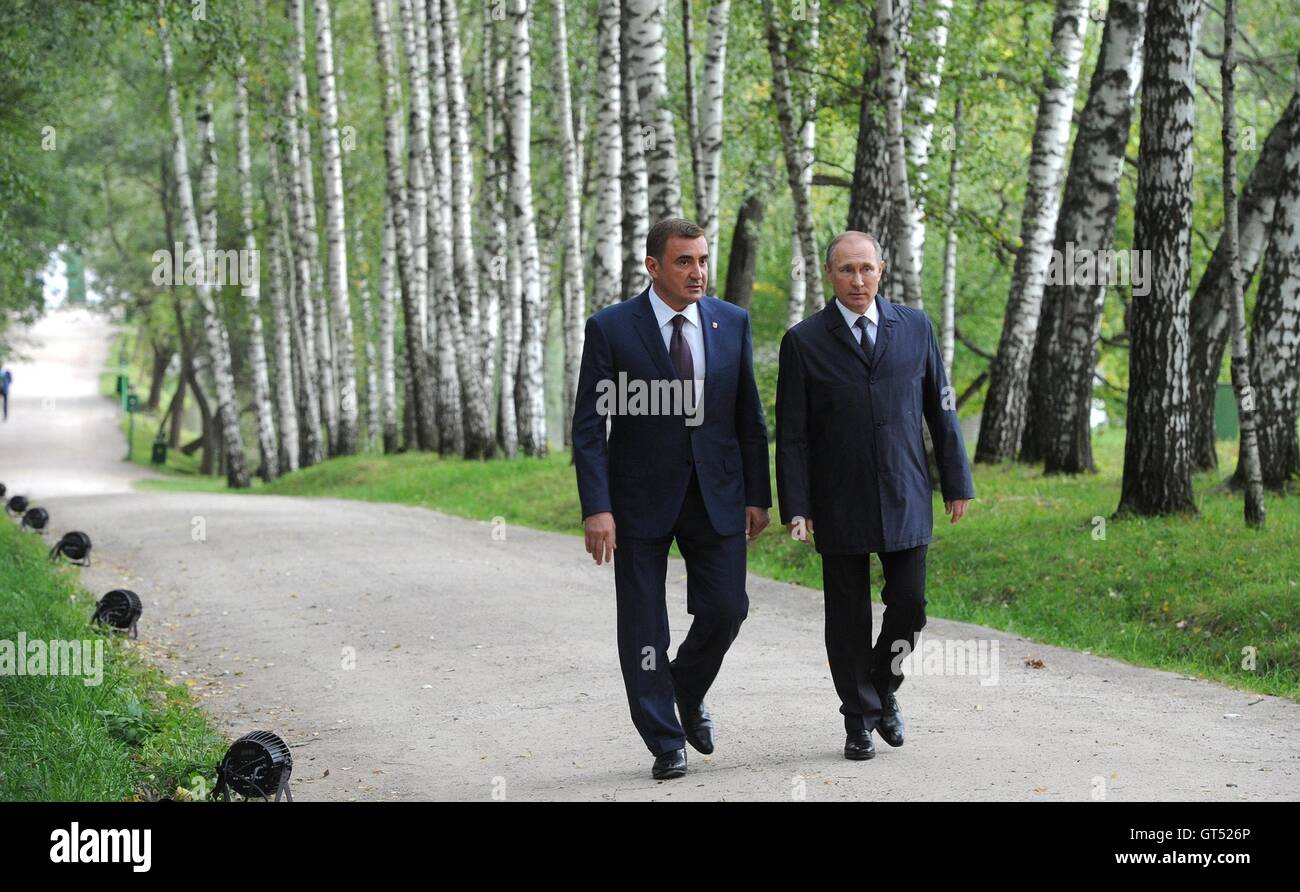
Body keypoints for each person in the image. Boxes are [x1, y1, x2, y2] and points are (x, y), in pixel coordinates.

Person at [571, 218, 772, 780]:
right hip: (637, 499)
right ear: (654, 267)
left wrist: (759, 493)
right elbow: (590, 425)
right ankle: (665, 739)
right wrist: (597, 506)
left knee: (728, 608)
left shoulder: (731, 322)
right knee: (643, 624)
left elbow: (748, 417)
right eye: (684, 261)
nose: (698, 271)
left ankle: (684, 686)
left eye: (703, 259)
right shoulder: (611, 328)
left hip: (718, 492)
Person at [775, 231, 974, 761]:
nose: (857, 280)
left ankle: (883, 688)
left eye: (866, 269)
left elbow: (942, 408)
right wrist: (796, 505)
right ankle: (858, 718)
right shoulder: (804, 341)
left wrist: (957, 481)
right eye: (846, 270)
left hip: (906, 489)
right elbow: (792, 434)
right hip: (837, 498)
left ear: (881, 269)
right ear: (828, 274)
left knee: (910, 604)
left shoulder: (915, 327)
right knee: (847, 616)